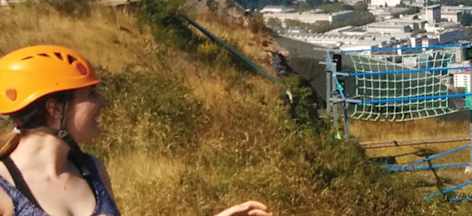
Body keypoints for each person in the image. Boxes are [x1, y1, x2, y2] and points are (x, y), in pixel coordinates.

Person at [0, 44, 271, 216]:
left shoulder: (91, 170)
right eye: (91, 94)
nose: (102, 102)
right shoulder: (4, 189)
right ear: (54, 109)